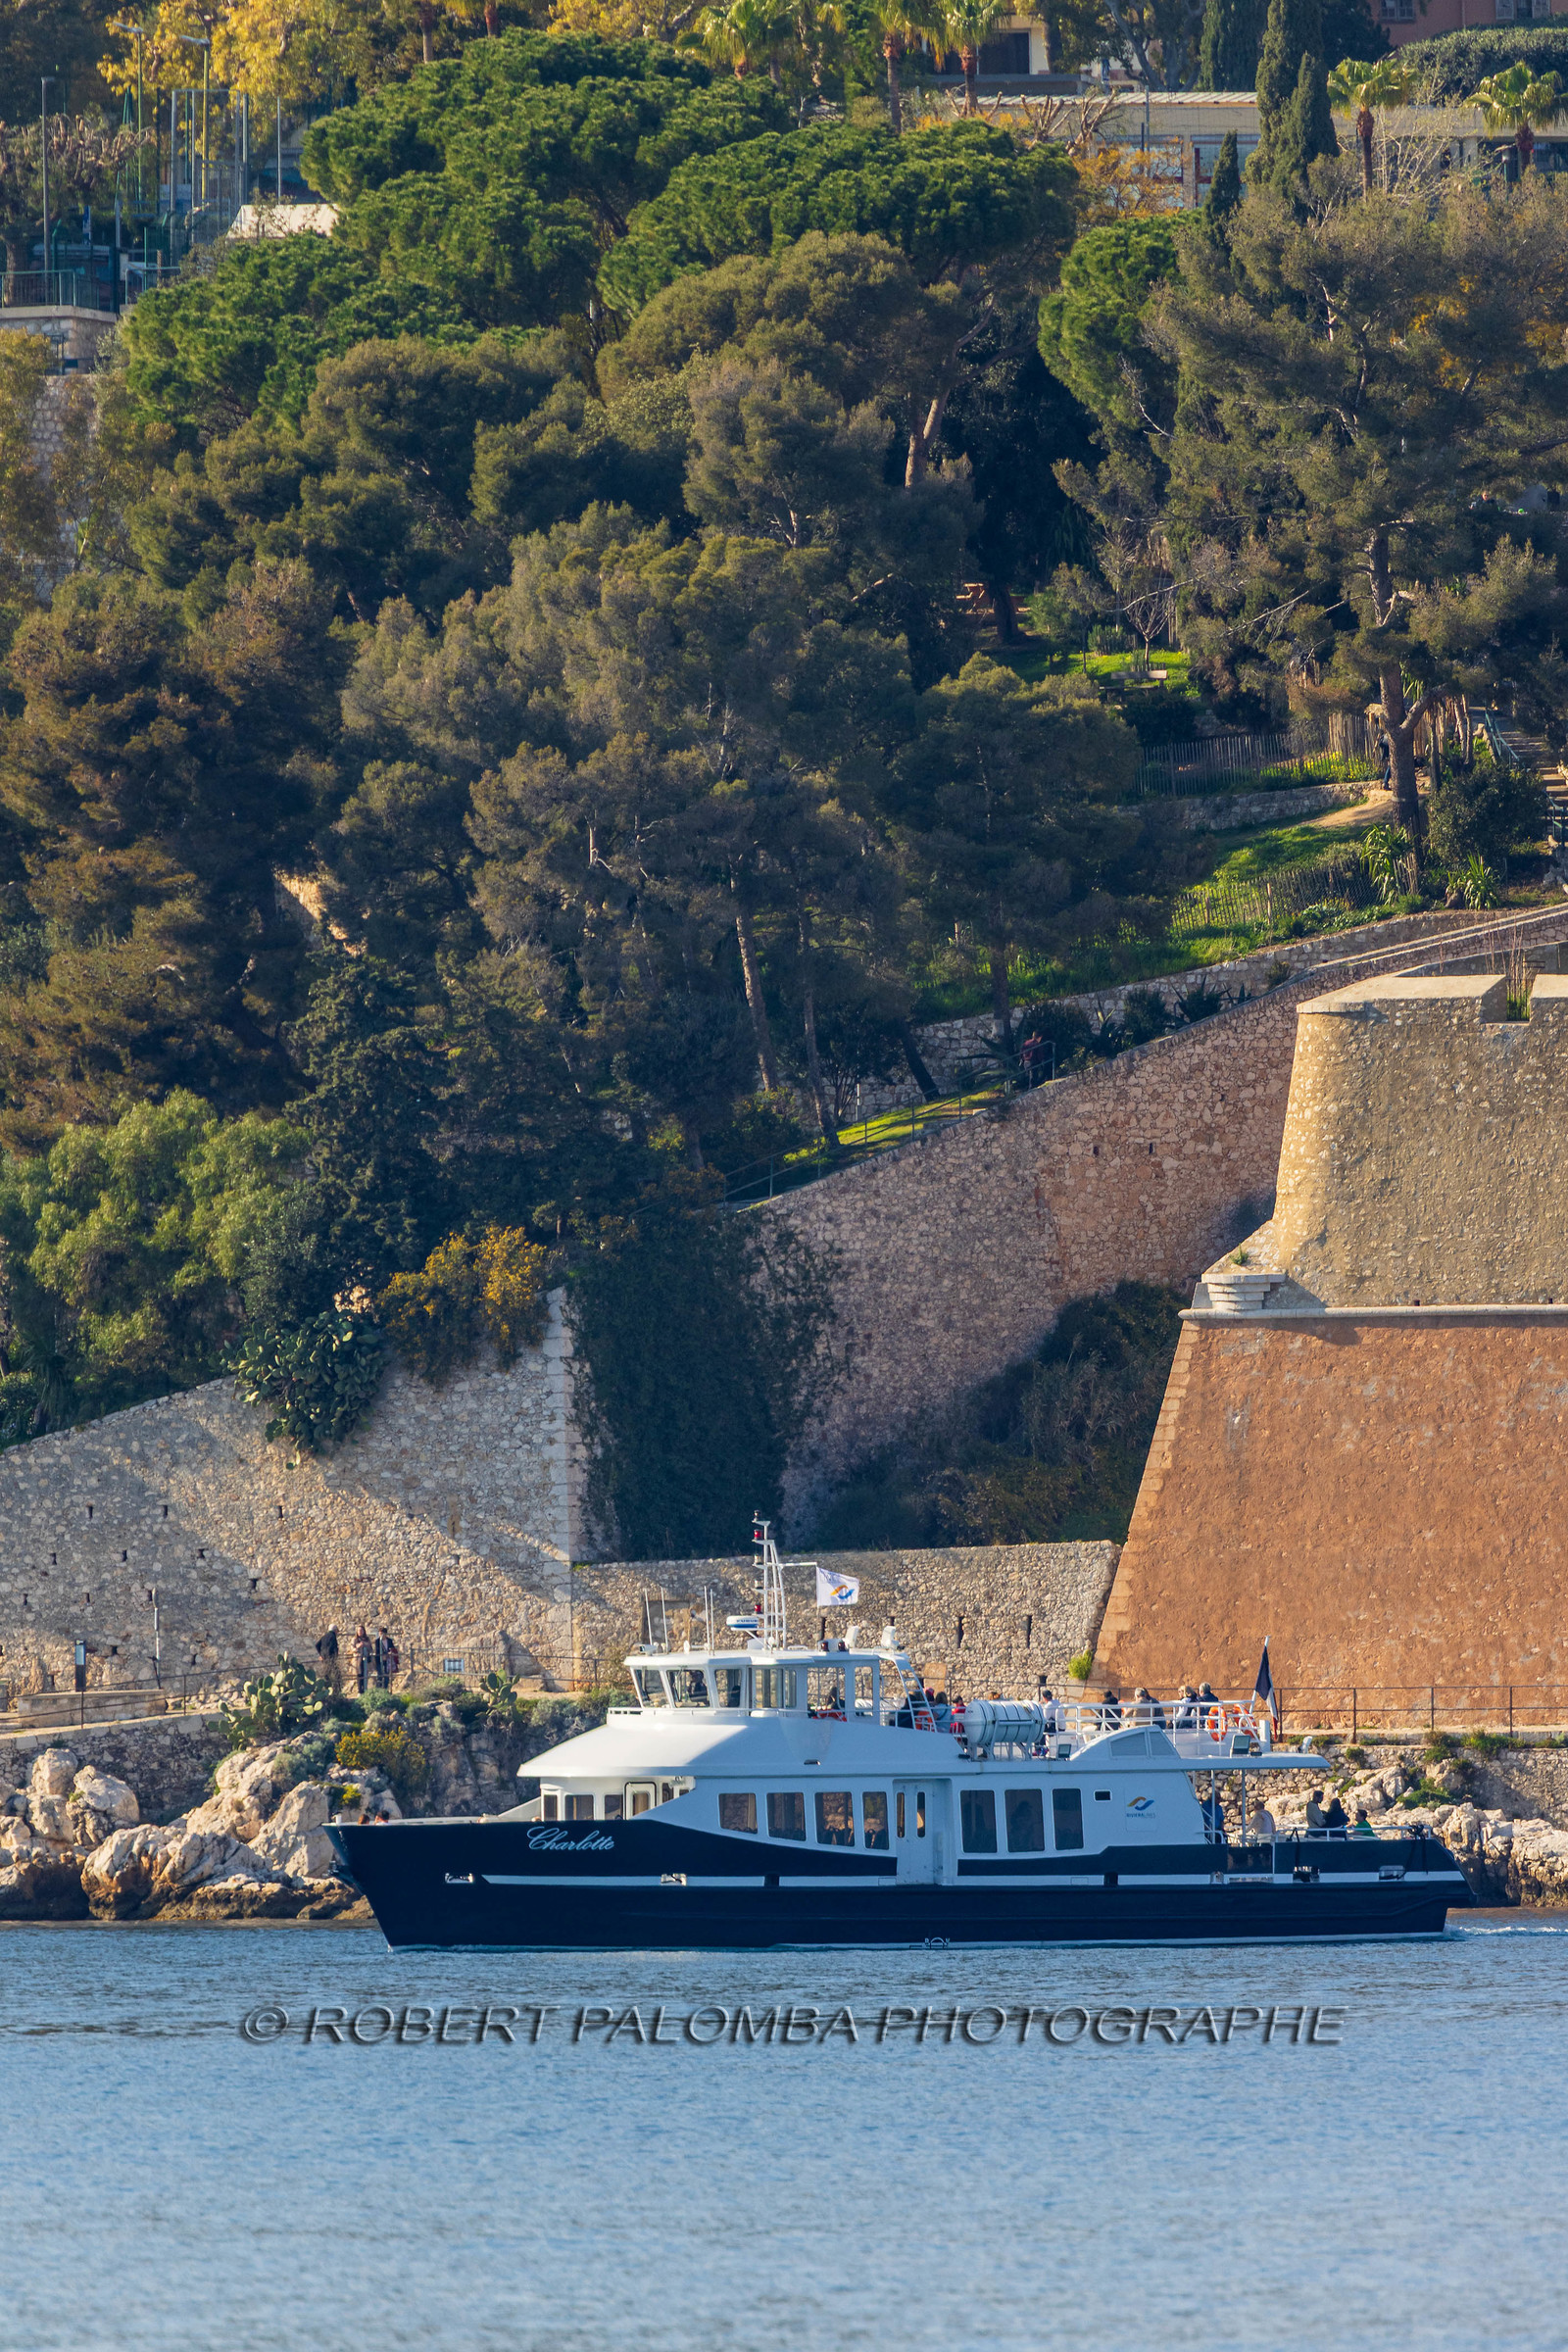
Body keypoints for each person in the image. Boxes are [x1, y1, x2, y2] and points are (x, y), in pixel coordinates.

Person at [316, 1624, 342, 1697]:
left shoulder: (324, 1636)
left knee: (326, 1674)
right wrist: (336, 1657)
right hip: (331, 1658)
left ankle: (326, 1690)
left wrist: (321, 1654)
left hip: (324, 1658)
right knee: (337, 1675)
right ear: (335, 1630)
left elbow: (317, 1645)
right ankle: (337, 1691)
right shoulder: (333, 1636)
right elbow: (335, 1647)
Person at [354, 1623, 372, 1696]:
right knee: (359, 1674)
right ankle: (359, 1691)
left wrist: (365, 1645)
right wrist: (358, 1647)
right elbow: (352, 1648)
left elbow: (371, 1648)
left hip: (366, 1659)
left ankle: (365, 1689)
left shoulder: (367, 1639)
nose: (360, 1632)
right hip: (358, 1659)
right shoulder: (355, 1639)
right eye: (358, 1630)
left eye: (361, 1630)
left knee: (365, 1674)